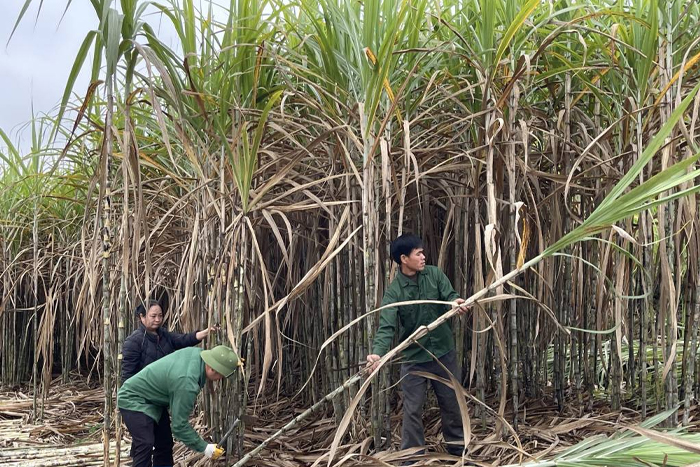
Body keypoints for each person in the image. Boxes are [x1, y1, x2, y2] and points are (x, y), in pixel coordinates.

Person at [366, 234, 469, 457]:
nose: (423, 257)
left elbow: (450, 296)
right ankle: (412, 459)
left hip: (443, 353)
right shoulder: (394, 292)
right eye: (418, 253)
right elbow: (387, 327)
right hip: (414, 359)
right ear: (404, 258)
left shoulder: (434, 274)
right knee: (412, 410)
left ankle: (459, 454)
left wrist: (456, 302)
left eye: (423, 253)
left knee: (452, 405)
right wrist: (377, 354)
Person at [118, 344, 242, 467]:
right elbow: (179, 426)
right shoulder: (186, 382)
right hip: (133, 399)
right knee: (145, 444)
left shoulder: (199, 355)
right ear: (212, 368)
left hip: (154, 401)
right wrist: (205, 447)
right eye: (221, 374)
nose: (220, 379)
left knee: (164, 443)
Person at [121, 299, 217, 383]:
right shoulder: (133, 341)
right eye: (153, 316)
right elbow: (128, 375)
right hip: (146, 392)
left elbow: (183, 340)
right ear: (142, 317)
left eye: (160, 315)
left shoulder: (164, 335)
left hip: (165, 389)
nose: (158, 319)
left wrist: (206, 332)